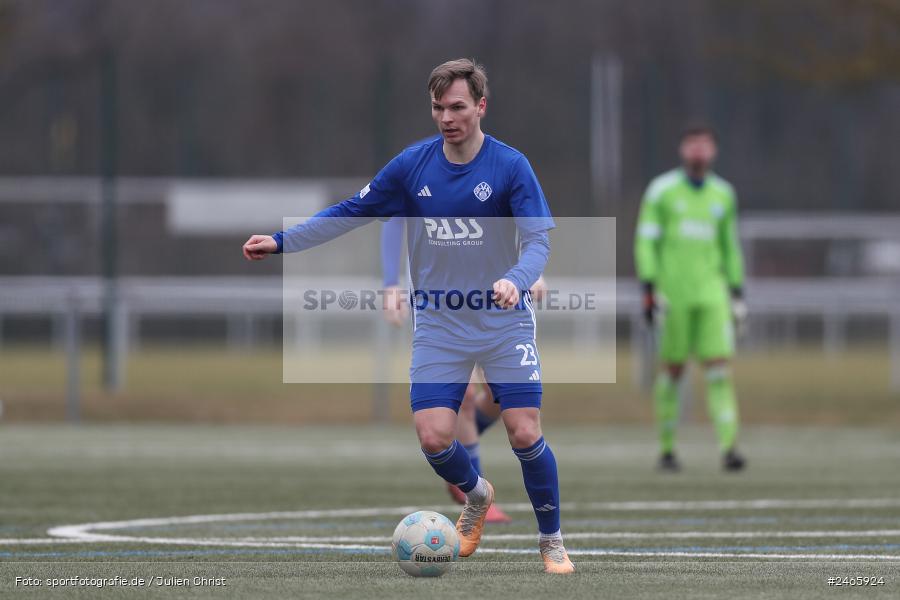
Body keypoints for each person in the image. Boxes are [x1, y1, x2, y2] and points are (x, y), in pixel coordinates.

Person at [243, 59, 573, 573]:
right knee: (434, 436)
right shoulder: (412, 166)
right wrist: (282, 242)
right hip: (440, 323)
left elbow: (538, 241)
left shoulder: (511, 166)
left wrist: (517, 278)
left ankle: (551, 542)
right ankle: (478, 495)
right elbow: (350, 212)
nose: (447, 117)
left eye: (458, 107)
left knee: (524, 432)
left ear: (481, 107)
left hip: (503, 321)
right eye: (439, 107)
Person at [381, 214, 546, 522]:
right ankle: (475, 492)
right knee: (466, 397)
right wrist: (391, 283)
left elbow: (524, 223)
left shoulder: (503, 168)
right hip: (442, 303)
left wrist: (530, 273)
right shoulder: (419, 170)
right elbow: (393, 220)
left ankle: (456, 452)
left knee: (501, 400)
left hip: (498, 300)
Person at [634, 122, 748, 473]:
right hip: (674, 296)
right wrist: (649, 287)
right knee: (673, 370)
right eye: (692, 144)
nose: (698, 151)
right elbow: (646, 240)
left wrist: (737, 290)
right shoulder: (662, 192)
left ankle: (729, 447)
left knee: (718, 369)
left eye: (704, 145)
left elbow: (730, 246)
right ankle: (667, 449)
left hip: (712, 296)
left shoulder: (723, 195)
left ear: (713, 151)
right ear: (683, 150)